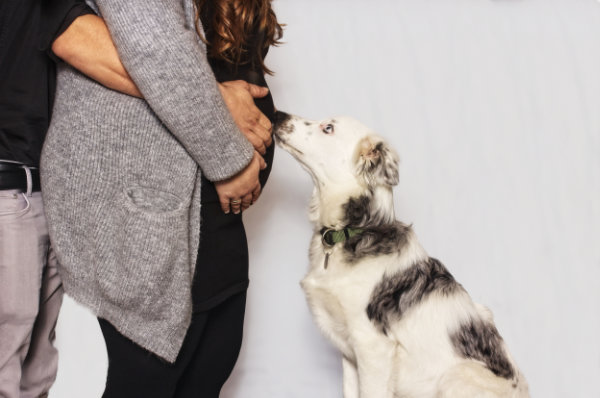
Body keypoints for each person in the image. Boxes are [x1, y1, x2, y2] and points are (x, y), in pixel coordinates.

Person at [40, 0, 282, 396]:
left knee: (210, 364)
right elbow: (156, 51)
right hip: (146, 216)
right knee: (146, 379)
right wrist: (232, 162)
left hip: (212, 219)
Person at [0, 1, 149, 397]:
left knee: (38, 365)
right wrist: (218, 101)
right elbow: (134, 64)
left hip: (43, 191)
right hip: (6, 193)